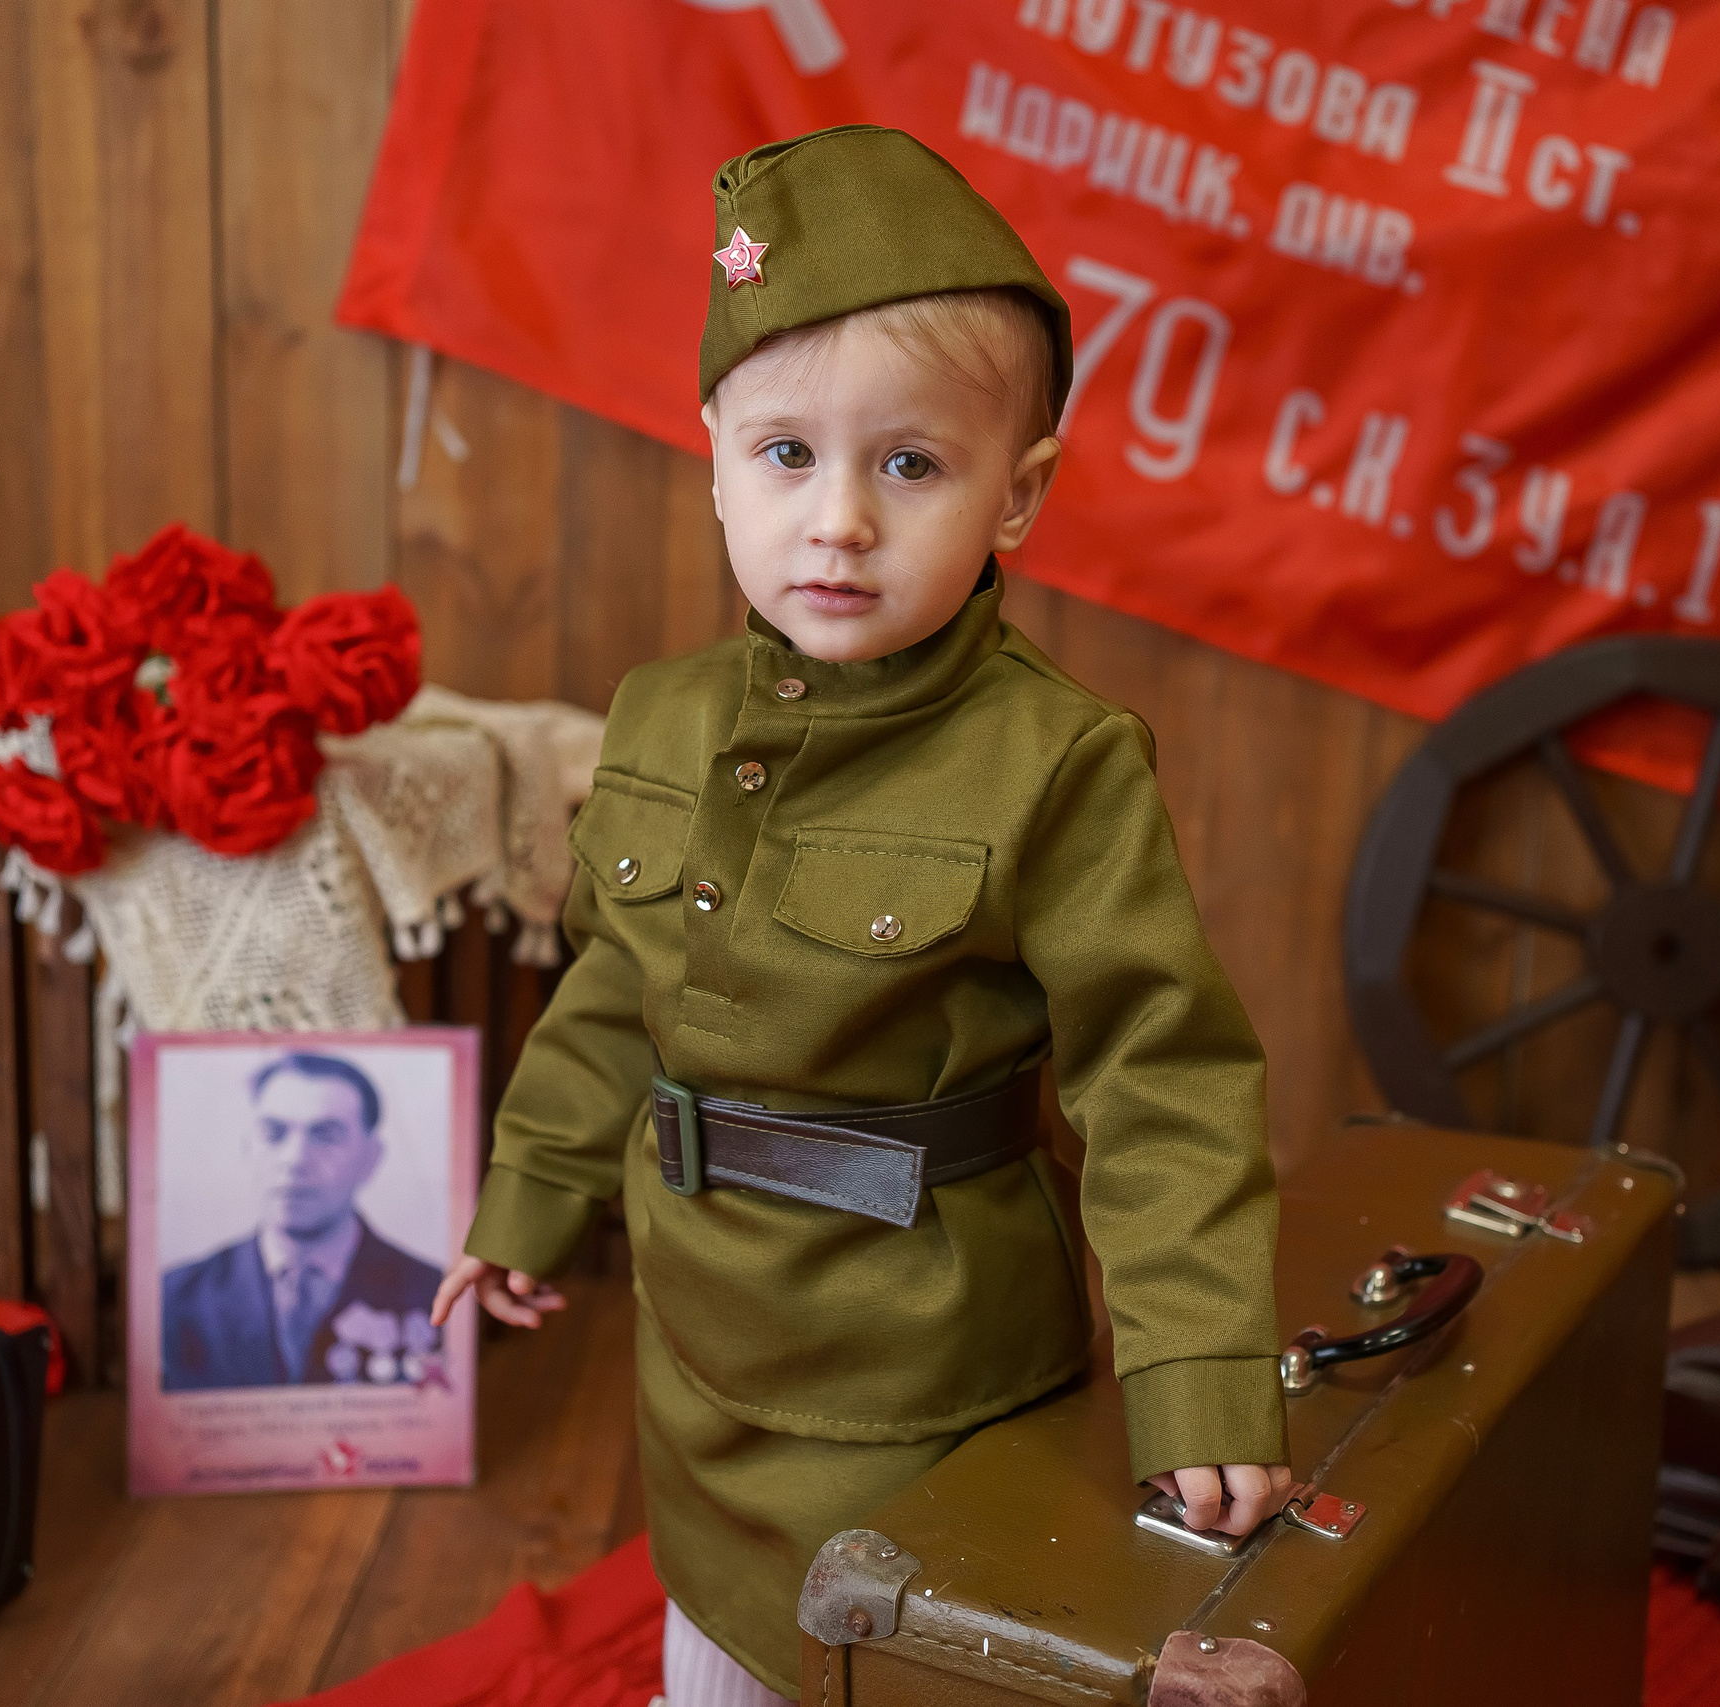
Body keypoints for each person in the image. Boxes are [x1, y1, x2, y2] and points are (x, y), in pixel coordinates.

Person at [430, 125, 1291, 1704]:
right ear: (710, 454)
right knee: (719, 1649)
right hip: (702, 1352)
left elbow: (1162, 1083)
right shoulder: (658, 718)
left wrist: (1201, 1378)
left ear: (1016, 494)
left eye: (910, 463)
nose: (837, 521)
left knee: (913, 1660)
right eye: (786, 455)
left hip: (929, 1364)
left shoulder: (1061, 763)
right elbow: (614, 995)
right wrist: (527, 1197)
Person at [163, 1051, 444, 1392]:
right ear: (248, 1148)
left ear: (370, 1158)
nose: (295, 1160)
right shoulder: (175, 1297)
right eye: (274, 1133)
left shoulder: (431, 1294)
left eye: (325, 1135)